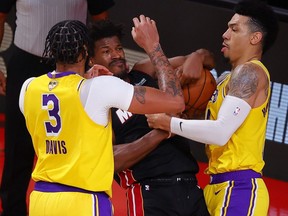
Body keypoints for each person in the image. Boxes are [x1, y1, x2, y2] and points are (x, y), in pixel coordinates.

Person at [19, 16, 185, 216]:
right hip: (83, 200)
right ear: (86, 52)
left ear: (52, 51)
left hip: (41, 199)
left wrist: (85, 77)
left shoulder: (28, 87)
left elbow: (64, 99)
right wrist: (154, 47)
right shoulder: (99, 87)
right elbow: (175, 101)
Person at [145, 0, 279, 215]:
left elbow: (220, 132)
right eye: (227, 28)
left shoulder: (251, 73)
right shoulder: (227, 79)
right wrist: (198, 55)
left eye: (234, 29)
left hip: (240, 188)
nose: (225, 34)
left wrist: (168, 122)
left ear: (255, 38)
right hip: (216, 186)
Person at [86, 19, 215, 215]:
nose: (117, 55)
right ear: (92, 61)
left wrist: (197, 56)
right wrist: (162, 131)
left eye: (119, 48)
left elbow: (208, 59)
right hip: (149, 192)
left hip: (189, 185)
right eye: (106, 51)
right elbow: (110, 160)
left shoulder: (143, 71)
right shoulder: (98, 103)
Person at [0, 1, 115, 215]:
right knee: (17, 147)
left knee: (73, 138)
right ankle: (11, 210)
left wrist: (95, 59)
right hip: (26, 61)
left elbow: (101, 17)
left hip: (73, 64)